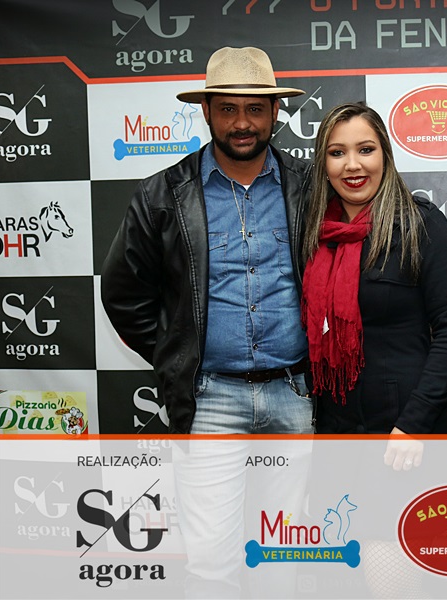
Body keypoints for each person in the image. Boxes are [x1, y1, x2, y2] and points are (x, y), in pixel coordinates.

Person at [101, 46, 314, 598]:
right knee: (211, 564)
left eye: (255, 109)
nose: (242, 122)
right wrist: (177, 351)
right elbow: (123, 293)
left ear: (275, 113)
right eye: (228, 109)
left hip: (296, 394)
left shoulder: (310, 186)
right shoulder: (162, 192)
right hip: (210, 399)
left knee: (281, 555)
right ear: (206, 112)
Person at [300, 102, 447, 598]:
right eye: (337, 153)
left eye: (365, 150)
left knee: (390, 573)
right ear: (323, 163)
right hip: (336, 435)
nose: (352, 165)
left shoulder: (421, 223)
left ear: (386, 156)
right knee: (341, 574)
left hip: (403, 438)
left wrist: (413, 424)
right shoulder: (314, 232)